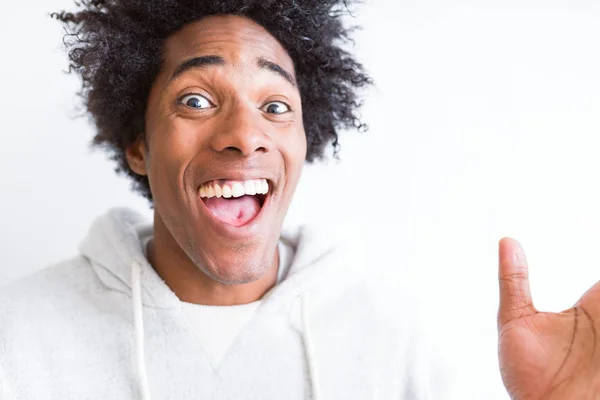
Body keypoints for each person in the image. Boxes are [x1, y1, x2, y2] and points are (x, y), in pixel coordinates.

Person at [1, 1, 598, 399]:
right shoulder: (19, 336)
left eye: (276, 106)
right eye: (197, 100)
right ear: (138, 145)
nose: (246, 133)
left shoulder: (397, 338)